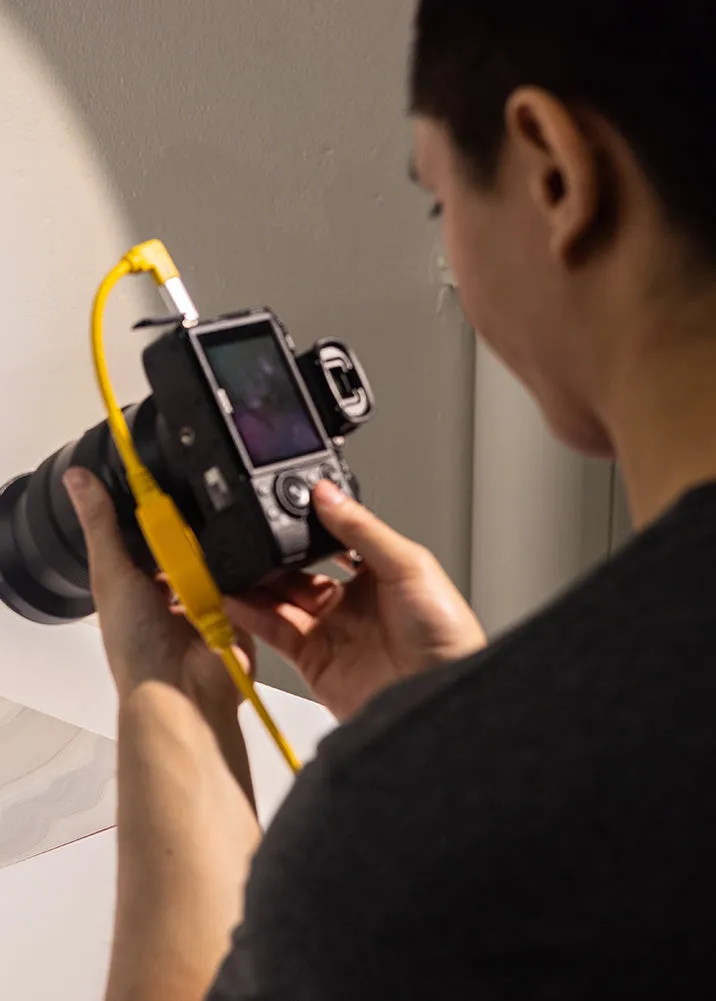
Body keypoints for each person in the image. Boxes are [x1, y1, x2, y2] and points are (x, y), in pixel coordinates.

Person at [63, 2, 716, 998]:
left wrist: (171, 701)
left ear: (554, 171)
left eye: (436, 203)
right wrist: (477, 723)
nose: (448, 242)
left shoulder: (409, 838)